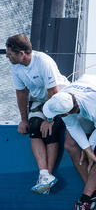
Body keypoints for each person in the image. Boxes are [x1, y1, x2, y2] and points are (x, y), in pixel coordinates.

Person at [43, 74, 96, 210]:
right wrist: (87, 149)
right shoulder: (63, 99)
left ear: (67, 112)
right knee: (70, 145)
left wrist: (89, 147)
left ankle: (85, 198)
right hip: (84, 107)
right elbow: (72, 126)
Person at [5, 34, 69, 194]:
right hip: (40, 99)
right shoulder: (16, 66)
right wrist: (23, 120)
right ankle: (44, 175)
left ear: (21, 53)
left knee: (50, 131)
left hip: (58, 98)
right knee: (34, 127)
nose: (7, 56)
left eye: (9, 53)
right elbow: (21, 94)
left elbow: (53, 92)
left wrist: (50, 119)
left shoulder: (43, 62)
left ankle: (49, 174)